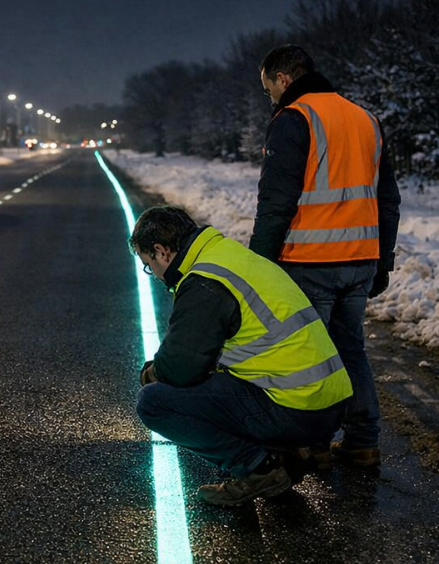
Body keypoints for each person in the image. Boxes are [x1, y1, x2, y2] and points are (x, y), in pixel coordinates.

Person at [132, 206, 353, 506]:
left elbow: (180, 368)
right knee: (217, 373)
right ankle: (290, 452)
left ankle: (259, 468)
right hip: (327, 403)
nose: (154, 274)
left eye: (149, 264)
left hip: (299, 407)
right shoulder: (232, 257)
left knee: (154, 401)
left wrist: (152, 373)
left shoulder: (205, 281)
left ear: (162, 251)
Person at [251, 45, 401, 468]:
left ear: (283, 79)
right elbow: (388, 198)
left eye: (268, 90)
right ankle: (362, 440)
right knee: (351, 349)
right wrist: (382, 259)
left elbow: (276, 202)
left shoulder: (294, 119)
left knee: (308, 357)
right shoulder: (365, 118)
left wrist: (259, 266)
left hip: (310, 260)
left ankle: (313, 445)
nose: (271, 100)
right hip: (360, 259)